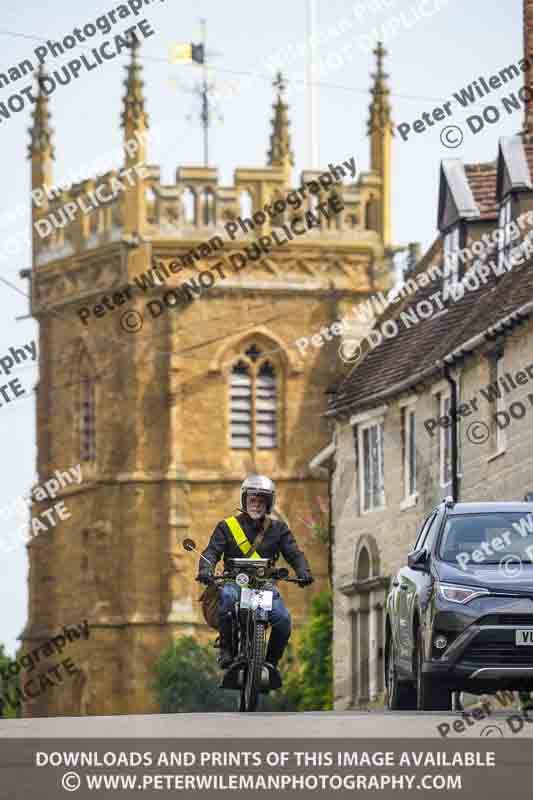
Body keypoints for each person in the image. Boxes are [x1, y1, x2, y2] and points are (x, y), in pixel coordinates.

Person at [196, 474, 314, 669]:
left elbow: (294, 553)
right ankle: (226, 649)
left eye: (261, 501)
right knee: (226, 599)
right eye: (252, 500)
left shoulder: (278, 529)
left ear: (268, 504)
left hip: (264, 587)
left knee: (283, 621)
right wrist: (206, 569)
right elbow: (212, 551)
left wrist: (303, 571)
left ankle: (271, 662)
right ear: (245, 500)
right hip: (235, 583)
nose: (256, 505)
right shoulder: (227, 527)